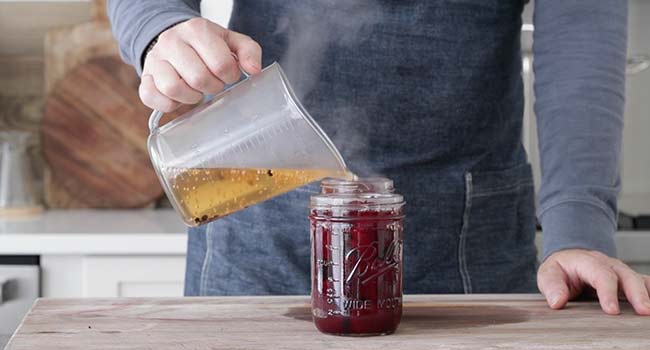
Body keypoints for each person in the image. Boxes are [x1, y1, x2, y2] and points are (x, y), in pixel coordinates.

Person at [107, 0, 650, 315]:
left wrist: (579, 225)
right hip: (257, 234)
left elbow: (581, 23)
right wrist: (158, 25)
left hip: (461, 242)